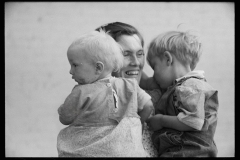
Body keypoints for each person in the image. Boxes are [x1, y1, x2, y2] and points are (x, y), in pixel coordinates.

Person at [57, 30, 154, 157]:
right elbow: (148, 106)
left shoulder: (81, 92)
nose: (71, 71)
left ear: (98, 67)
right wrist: (136, 124)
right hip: (129, 152)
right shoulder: (131, 85)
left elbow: (65, 118)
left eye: (75, 65)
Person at [145, 30, 219, 157]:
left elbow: (193, 121)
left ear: (168, 59)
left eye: (154, 67)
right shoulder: (180, 86)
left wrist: (161, 121)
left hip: (187, 152)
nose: (154, 75)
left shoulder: (190, 86)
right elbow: (147, 82)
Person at [95, 22, 161, 157]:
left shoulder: (160, 99)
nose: (136, 62)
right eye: (126, 54)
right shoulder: (92, 104)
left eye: (140, 53)